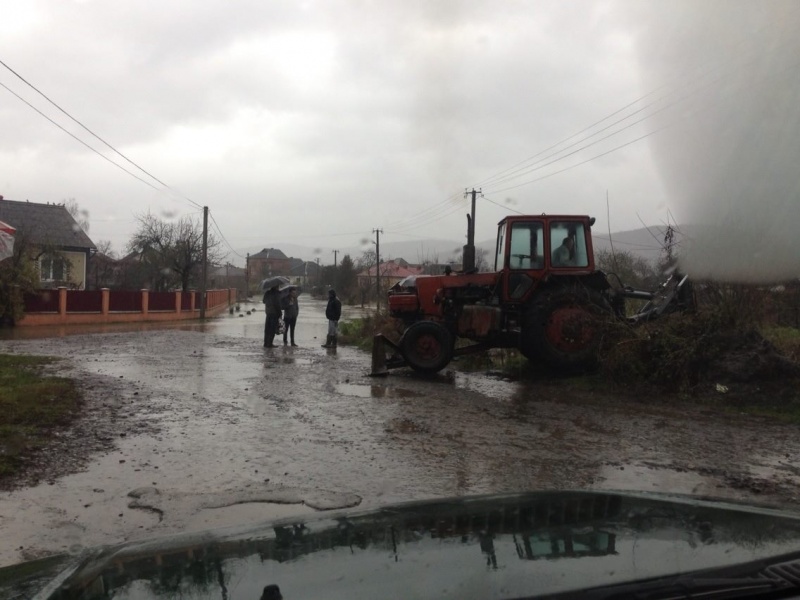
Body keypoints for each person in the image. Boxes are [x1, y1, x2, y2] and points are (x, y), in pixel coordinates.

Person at [263, 284, 282, 348]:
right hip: (274, 313)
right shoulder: (276, 294)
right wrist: (280, 313)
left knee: (267, 328)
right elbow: (277, 305)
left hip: (268, 312)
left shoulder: (267, 293)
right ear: (277, 287)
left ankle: (265, 343)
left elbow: (264, 301)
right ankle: (270, 343)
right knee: (272, 329)